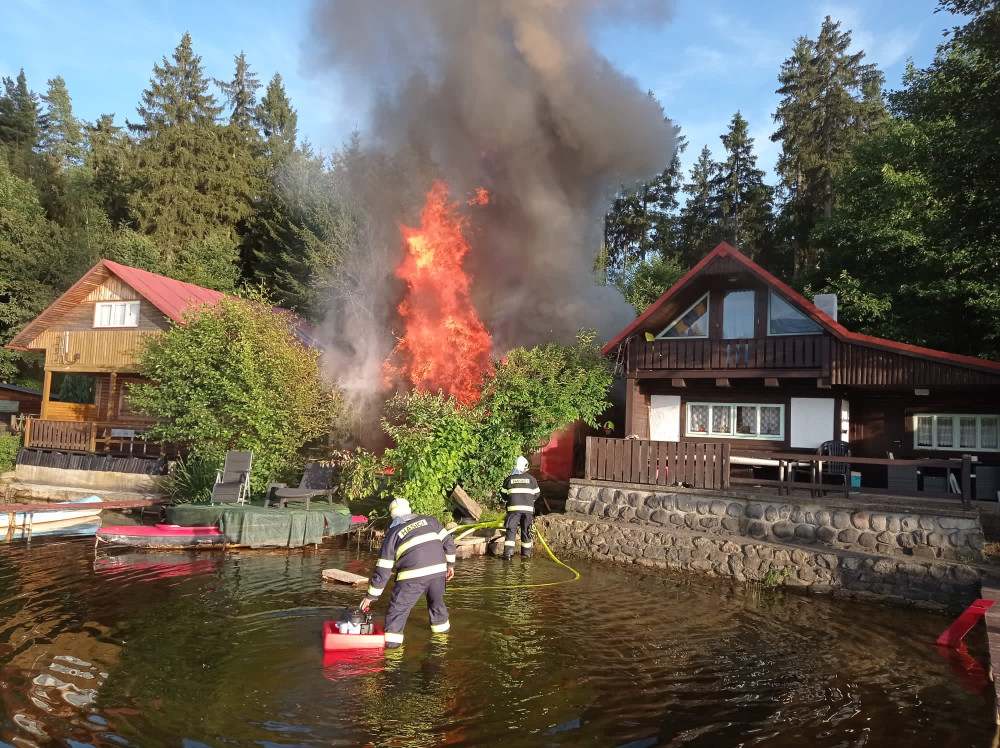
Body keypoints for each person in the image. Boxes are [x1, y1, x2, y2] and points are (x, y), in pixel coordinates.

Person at [360, 497, 456, 649]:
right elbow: (448, 542)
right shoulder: (429, 521)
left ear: (393, 516)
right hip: (439, 572)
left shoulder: (393, 534)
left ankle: (392, 656)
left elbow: (383, 569)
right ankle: (441, 644)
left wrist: (371, 596)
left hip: (412, 577)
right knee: (437, 605)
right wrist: (450, 564)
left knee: (397, 612)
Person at [499, 455, 540, 560]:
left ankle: (508, 555)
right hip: (528, 511)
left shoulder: (509, 480)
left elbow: (503, 495)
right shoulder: (532, 480)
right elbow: (537, 494)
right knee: (526, 531)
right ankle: (526, 555)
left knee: (511, 531)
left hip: (513, 511)